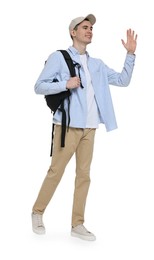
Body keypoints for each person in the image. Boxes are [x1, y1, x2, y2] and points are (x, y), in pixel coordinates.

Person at [31, 14, 137, 241]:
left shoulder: (96, 64)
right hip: (67, 125)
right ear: (73, 32)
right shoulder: (59, 58)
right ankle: (37, 212)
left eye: (91, 28)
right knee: (56, 172)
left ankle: (77, 224)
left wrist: (130, 54)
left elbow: (122, 80)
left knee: (84, 176)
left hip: (90, 128)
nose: (89, 31)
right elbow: (38, 86)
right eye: (85, 27)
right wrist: (65, 84)